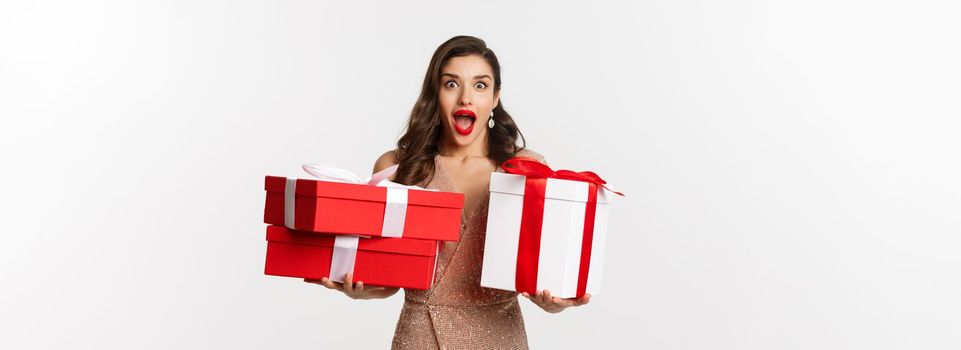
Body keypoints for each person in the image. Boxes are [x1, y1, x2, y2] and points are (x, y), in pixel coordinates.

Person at [305, 35, 591, 349]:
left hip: (500, 337)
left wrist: (552, 302)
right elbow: (388, 278)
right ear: (435, 93)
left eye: (480, 85)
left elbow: (540, 274)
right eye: (451, 84)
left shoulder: (527, 170)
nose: (466, 98)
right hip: (421, 336)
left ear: (495, 97)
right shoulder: (397, 168)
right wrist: (362, 290)